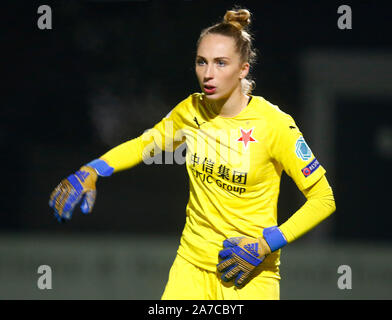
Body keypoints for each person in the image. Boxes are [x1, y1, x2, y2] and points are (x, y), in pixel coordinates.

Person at [49, 8, 336, 300]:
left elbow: (323, 200)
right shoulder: (191, 110)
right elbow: (142, 145)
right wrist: (92, 170)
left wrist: (266, 244)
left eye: (221, 63)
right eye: (202, 62)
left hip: (249, 273)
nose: (208, 74)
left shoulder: (274, 125)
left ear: (243, 69)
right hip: (190, 268)